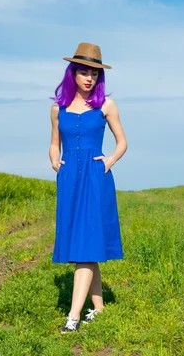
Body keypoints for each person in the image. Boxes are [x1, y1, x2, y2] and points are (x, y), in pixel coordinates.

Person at [48, 42, 128, 333]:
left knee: (85, 246)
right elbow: (54, 143)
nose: (89, 78)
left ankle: (73, 317)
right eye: (83, 72)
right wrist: (56, 162)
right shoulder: (57, 109)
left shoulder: (106, 105)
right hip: (69, 179)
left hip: (96, 177)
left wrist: (109, 161)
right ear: (73, 74)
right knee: (83, 244)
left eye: (94, 73)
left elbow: (123, 141)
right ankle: (100, 307)